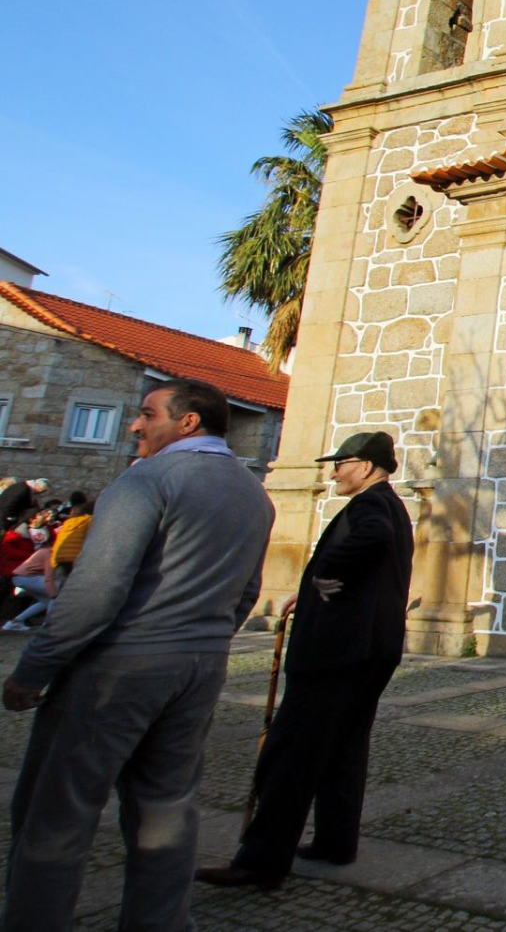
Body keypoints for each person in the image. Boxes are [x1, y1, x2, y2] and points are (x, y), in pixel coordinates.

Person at [1, 379, 273, 932]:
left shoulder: (147, 479)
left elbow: (95, 591)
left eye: (148, 414)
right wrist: (205, 638)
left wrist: (32, 671)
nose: (134, 424)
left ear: (188, 422)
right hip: (199, 665)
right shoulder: (255, 494)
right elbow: (247, 591)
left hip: (120, 664)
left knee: (58, 812)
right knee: (166, 810)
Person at [197, 430, 414, 889]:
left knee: (291, 754)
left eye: (342, 462)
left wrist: (327, 574)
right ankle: (336, 842)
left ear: (368, 467)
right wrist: (311, 590)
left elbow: (368, 541)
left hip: (337, 654)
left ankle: (260, 862)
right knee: (343, 749)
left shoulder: (371, 506)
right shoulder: (391, 503)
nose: (333, 470)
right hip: (369, 650)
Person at [50, 495, 93, 586]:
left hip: (60, 561)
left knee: (63, 592)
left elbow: (58, 544)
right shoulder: (89, 521)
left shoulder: (67, 524)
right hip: (76, 561)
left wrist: (54, 562)